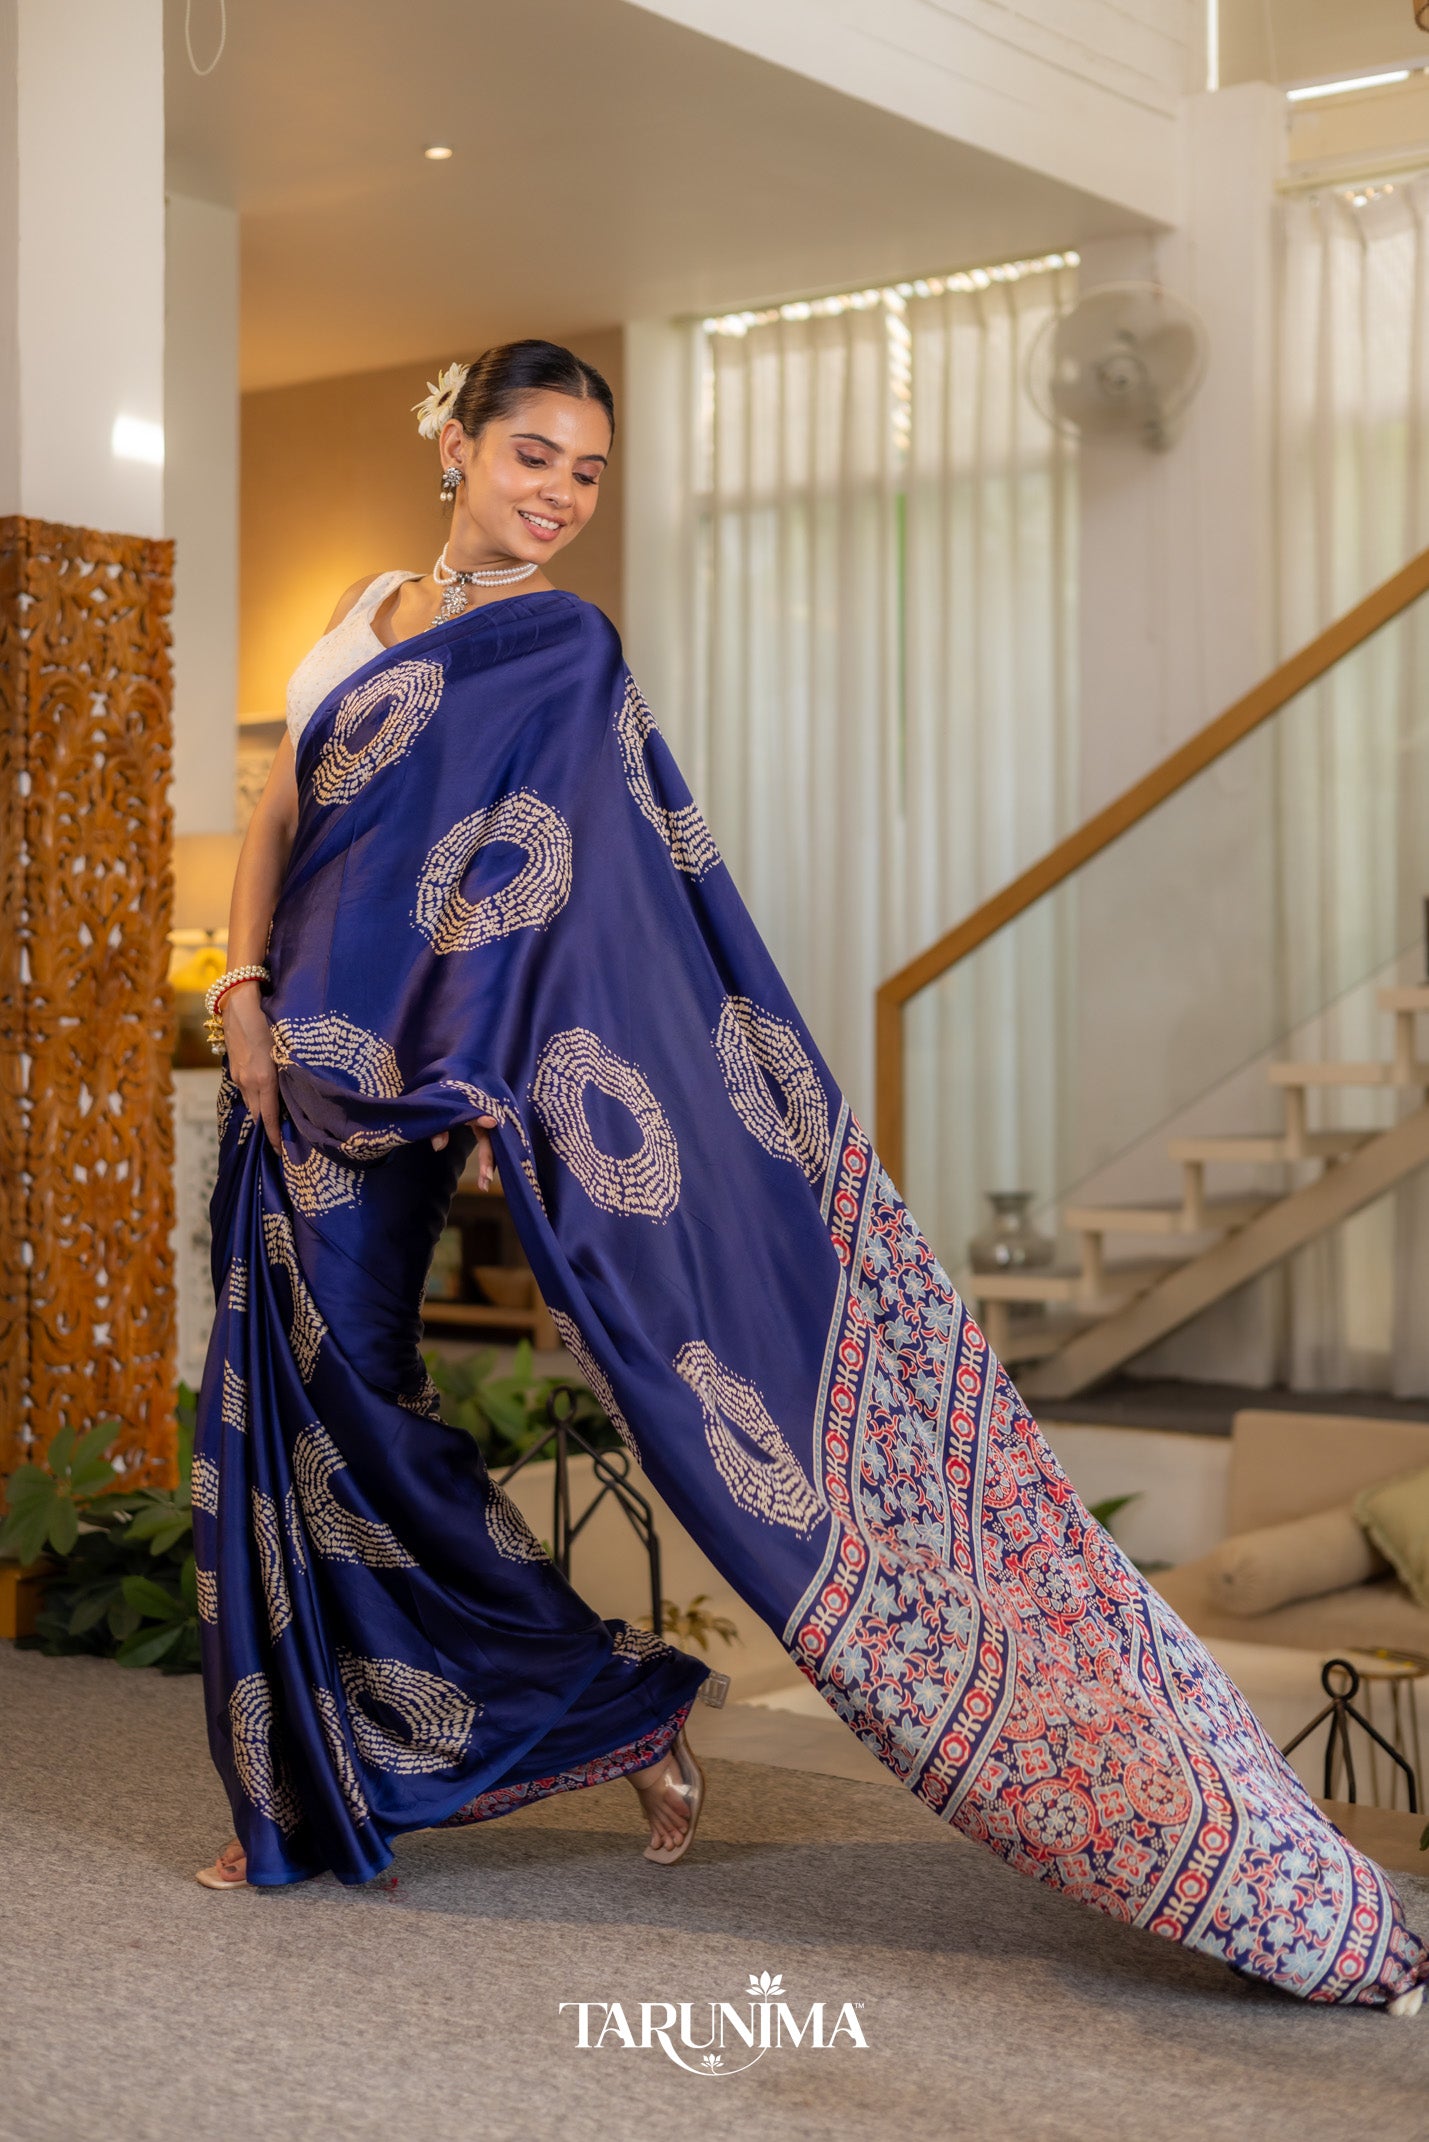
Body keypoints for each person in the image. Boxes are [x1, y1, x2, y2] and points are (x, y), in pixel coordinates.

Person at [193, 340, 1426, 2015]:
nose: (560, 493)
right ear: (456, 445)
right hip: (281, 1058)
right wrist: (240, 991)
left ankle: (596, 1703)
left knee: (362, 1401)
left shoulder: (560, 648)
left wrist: (485, 1065)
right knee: (277, 1416)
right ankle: (298, 1789)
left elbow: (579, 914)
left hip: (394, 1092)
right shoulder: (358, 611)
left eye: (587, 472)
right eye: (534, 454)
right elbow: (282, 808)